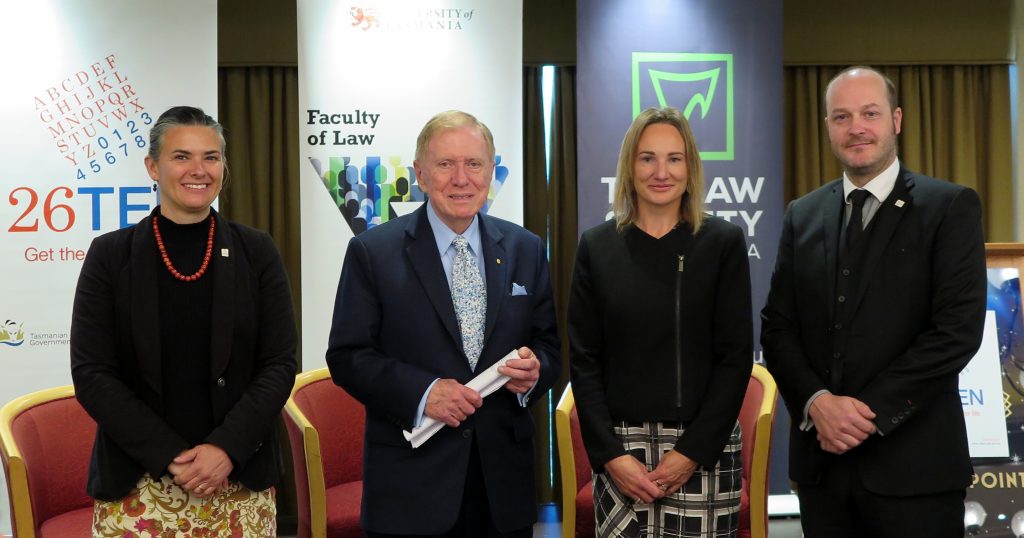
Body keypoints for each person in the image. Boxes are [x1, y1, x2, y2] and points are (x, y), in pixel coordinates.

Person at [761, 66, 987, 537]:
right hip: (823, 471)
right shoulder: (802, 215)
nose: (856, 127)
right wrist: (816, 403)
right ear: (827, 127)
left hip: (916, 471)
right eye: (841, 116)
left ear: (896, 119)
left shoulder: (949, 207)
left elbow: (956, 331)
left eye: (870, 113)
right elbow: (778, 327)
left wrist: (863, 416)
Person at [326, 110, 561, 537]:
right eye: (445, 164)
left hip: (503, 492)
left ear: (491, 171)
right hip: (410, 490)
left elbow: (549, 347)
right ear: (420, 173)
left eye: (474, 164)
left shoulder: (527, 248)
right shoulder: (372, 252)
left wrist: (535, 371)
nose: (461, 178)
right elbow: (348, 356)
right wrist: (424, 393)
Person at [70, 106, 297, 536]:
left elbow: (279, 364)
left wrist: (225, 449)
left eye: (211, 157)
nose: (199, 170)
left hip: (237, 480)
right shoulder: (110, 256)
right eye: (182, 157)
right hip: (137, 486)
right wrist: (169, 455)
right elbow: (92, 373)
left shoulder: (257, 251)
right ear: (153, 167)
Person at [569, 106, 752, 537]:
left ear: (690, 167)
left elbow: (735, 358)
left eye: (674, 158)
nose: (660, 171)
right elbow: (583, 360)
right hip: (621, 453)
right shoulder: (597, 246)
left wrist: (691, 452)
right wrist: (611, 456)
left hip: (704, 448)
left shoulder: (722, 242)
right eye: (647, 157)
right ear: (630, 167)